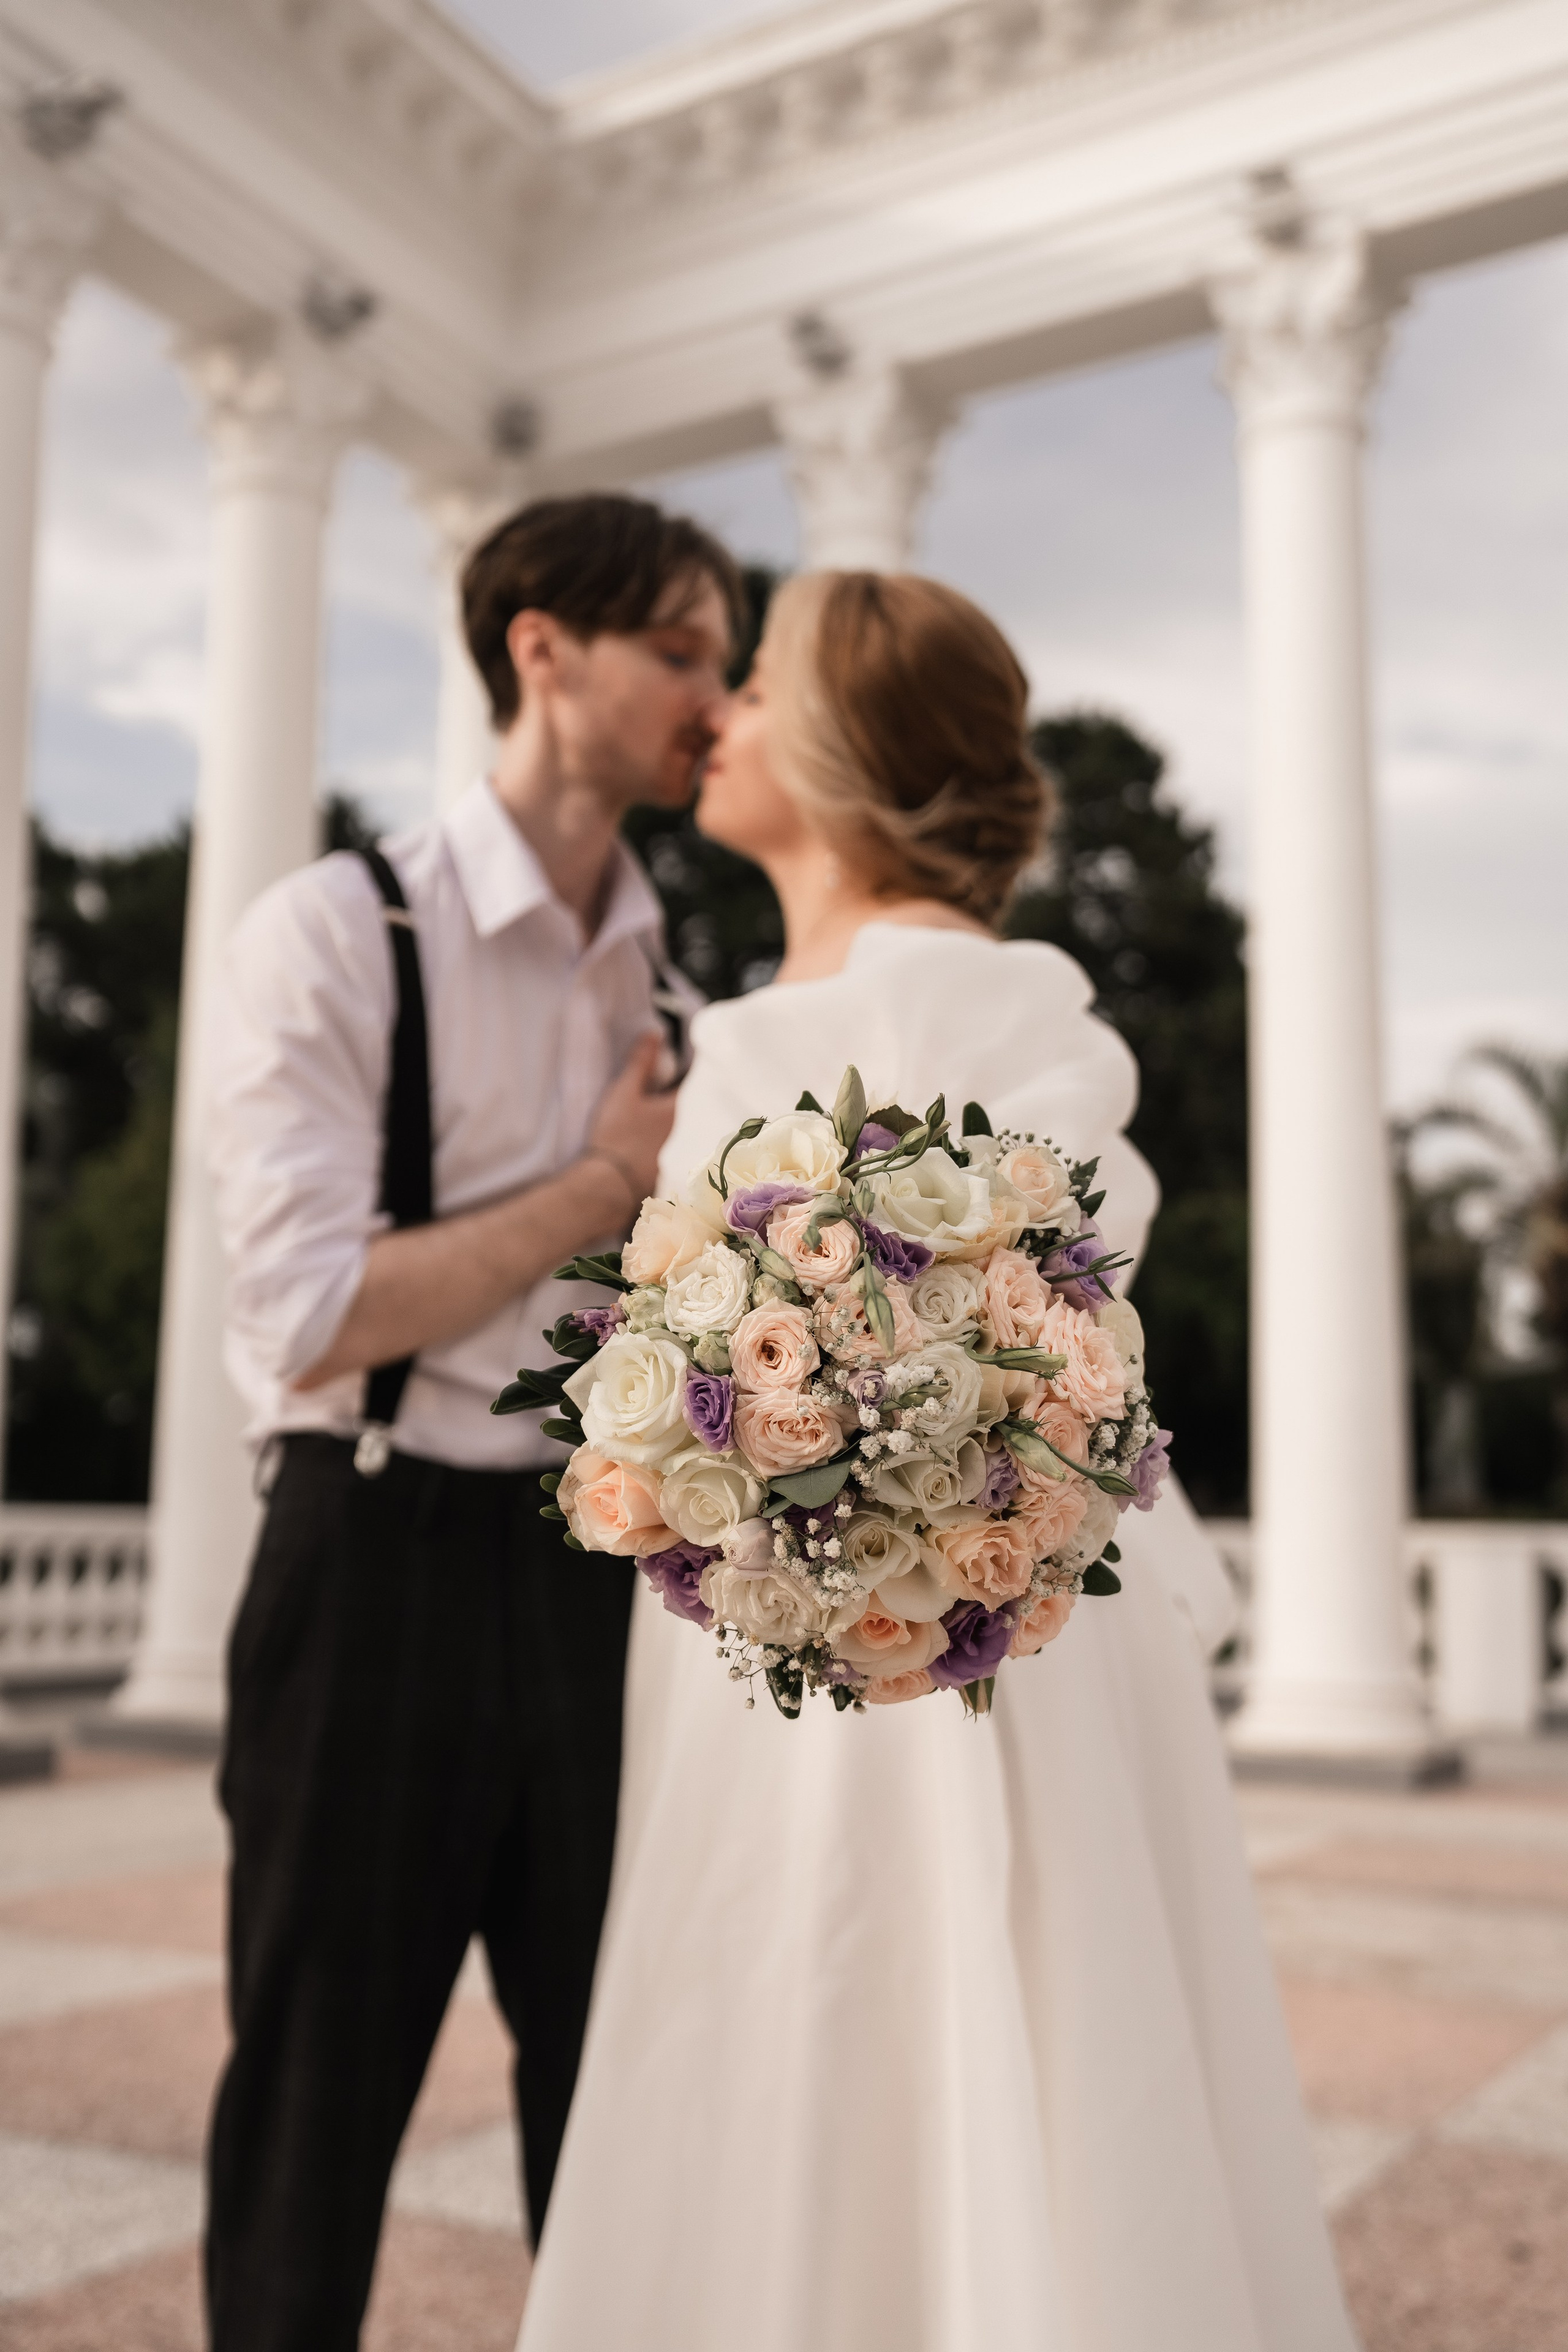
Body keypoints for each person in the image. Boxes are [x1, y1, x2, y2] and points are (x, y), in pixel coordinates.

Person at [517, 572, 1358, 2352]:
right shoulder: (742, 1018)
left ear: (837, 746)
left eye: (756, 685)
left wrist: (881, 1432)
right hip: (744, 1626)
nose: (716, 714)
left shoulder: (985, 1000)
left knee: (963, 2012)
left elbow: (1062, 1298)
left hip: (977, 1631)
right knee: (759, 2018)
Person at [202, 492, 741, 2351]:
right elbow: (308, 1310)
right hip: (370, 1556)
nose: (717, 699)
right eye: (682, 650)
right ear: (541, 647)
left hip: (606, 1587)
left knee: (623, 2109)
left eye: (728, 664)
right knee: (313, 2107)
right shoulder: (339, 934)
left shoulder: (683, 999)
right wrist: (600, 1186)